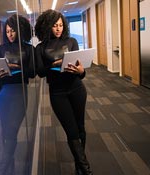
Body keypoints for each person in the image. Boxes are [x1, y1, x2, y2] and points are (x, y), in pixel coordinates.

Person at [34, 9, 93, 175]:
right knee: (71, 130)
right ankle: (86, 168)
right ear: (46, 26)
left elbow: (81, 73)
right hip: (58, 93)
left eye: (60, 25)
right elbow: (40, 72)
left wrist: (81, 70)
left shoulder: (72, 41)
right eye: (54, 26)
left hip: (77, 89)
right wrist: (55, 64)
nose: (58, 29)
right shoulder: (40, 48)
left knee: (80, 127)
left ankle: (79, 166)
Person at [0, 14, 34, 174]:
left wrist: (16, 68)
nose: (10, 34)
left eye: (12, 31)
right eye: (7, 31)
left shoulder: (28, 48)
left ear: (19, 31)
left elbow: (32, 73)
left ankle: (3, 164)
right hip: (3, 93)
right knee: (5, 128)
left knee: (13, 128)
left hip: (19, 92)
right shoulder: (1, 49)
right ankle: (10, 161)